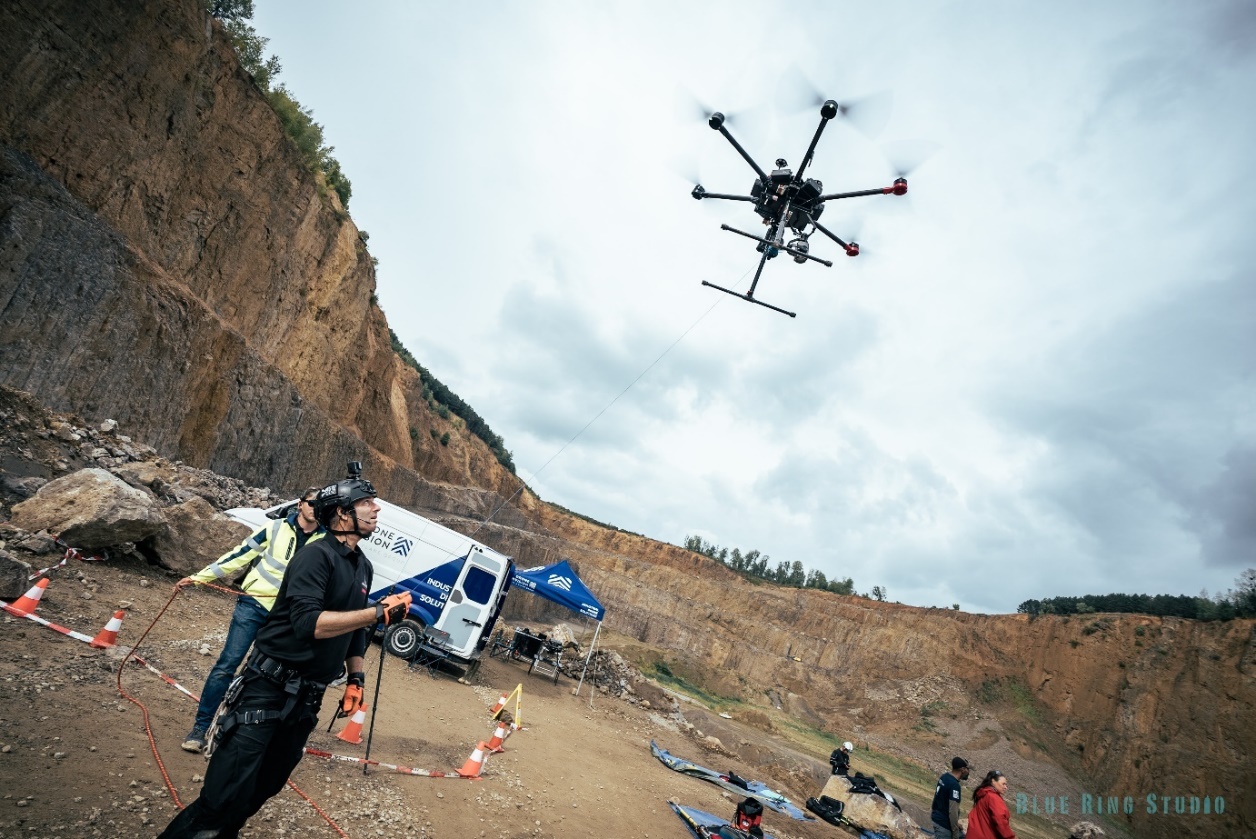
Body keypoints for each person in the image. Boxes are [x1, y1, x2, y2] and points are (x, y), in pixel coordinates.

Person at [159, 472, 412, 838]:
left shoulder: (362, 566)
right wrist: (377, 612)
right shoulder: (316, 556)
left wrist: (355, 678)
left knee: (262, 789)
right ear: (342, 514)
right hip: (266, 690)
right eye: (366, 503)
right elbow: (309, 624)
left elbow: (355, 630)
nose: (376, 509)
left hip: (307, 699)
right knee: (221, 796)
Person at [177, 487, 325, 753]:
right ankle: (200, 728)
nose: (316, 508)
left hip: (285, 618)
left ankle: (233, 731)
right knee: (227, 665)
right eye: (312, 503)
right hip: (253, 606)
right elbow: (239, 554)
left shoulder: (325, 541)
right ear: (300, 504)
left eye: (321, 505)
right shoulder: (274, 528)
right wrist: (199, 578)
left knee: (260, 676)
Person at [966, 770, 1017, 839]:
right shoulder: (993, 798)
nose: (1006, 787)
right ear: (993, 781)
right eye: (1003, 784)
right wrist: (1010, 837)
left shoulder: (983, 794)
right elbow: (1000, 820)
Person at [930, 756, 970, 839]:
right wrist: (955, 832)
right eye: (967, 769)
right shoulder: (954, 785)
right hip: (944, 826)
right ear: (962, 769)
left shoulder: (944, 777)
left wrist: (956, 824)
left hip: (937, 819)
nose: (968, 771)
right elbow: (953, 810)